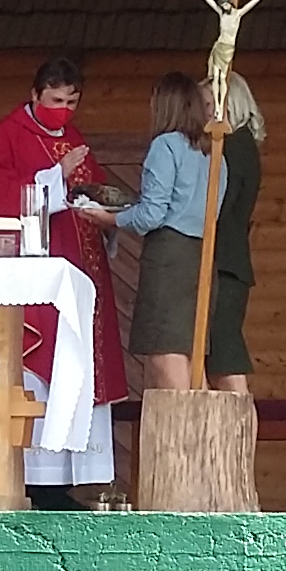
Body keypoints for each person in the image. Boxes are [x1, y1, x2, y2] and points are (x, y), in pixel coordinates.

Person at [0, 61, 125, 509]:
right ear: (35, 93)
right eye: (56, 100)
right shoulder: (6, 137)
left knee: (78, 371)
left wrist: (105, 213)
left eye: (72, 101)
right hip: (34, 283)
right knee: (40, 370)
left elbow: (90, 191)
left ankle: (72, 482)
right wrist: (56, 174)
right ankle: (39, 485)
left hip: (80, 276)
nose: (64, 109)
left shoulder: (74, 138)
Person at [107, 72, 212, 392]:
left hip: (169, 255)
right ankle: (202, 424)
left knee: (166, 353)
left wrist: (112, 219)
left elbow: (151, 214)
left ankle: (184, 424)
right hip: (201, 254)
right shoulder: (212, 152)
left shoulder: (166, 146)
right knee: (191, 356)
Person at [206, 72, 263, 397]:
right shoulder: (244, 145)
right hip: (231, 259)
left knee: (225, 355)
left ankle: (243, 420)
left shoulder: (233, 146)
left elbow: (221, 204)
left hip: (224, 261)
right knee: (221, 354)